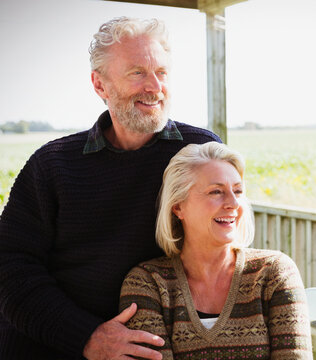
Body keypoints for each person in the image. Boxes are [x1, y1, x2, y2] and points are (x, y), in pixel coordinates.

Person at [0, 17, 221, 359]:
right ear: (100, 85)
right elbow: (10, 268)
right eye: (137, 73)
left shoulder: (198, 152)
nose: (154, 86)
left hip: (158, 346)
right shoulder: (52, 165)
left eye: (161, 72)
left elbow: (225, 246)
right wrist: (87, 337)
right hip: (52, 344)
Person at [119, 142, 313, 359]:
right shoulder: (148, 283)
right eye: (216, 192)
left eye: (238, 191)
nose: (233, 203)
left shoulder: (273, 273)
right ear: (178, 206)